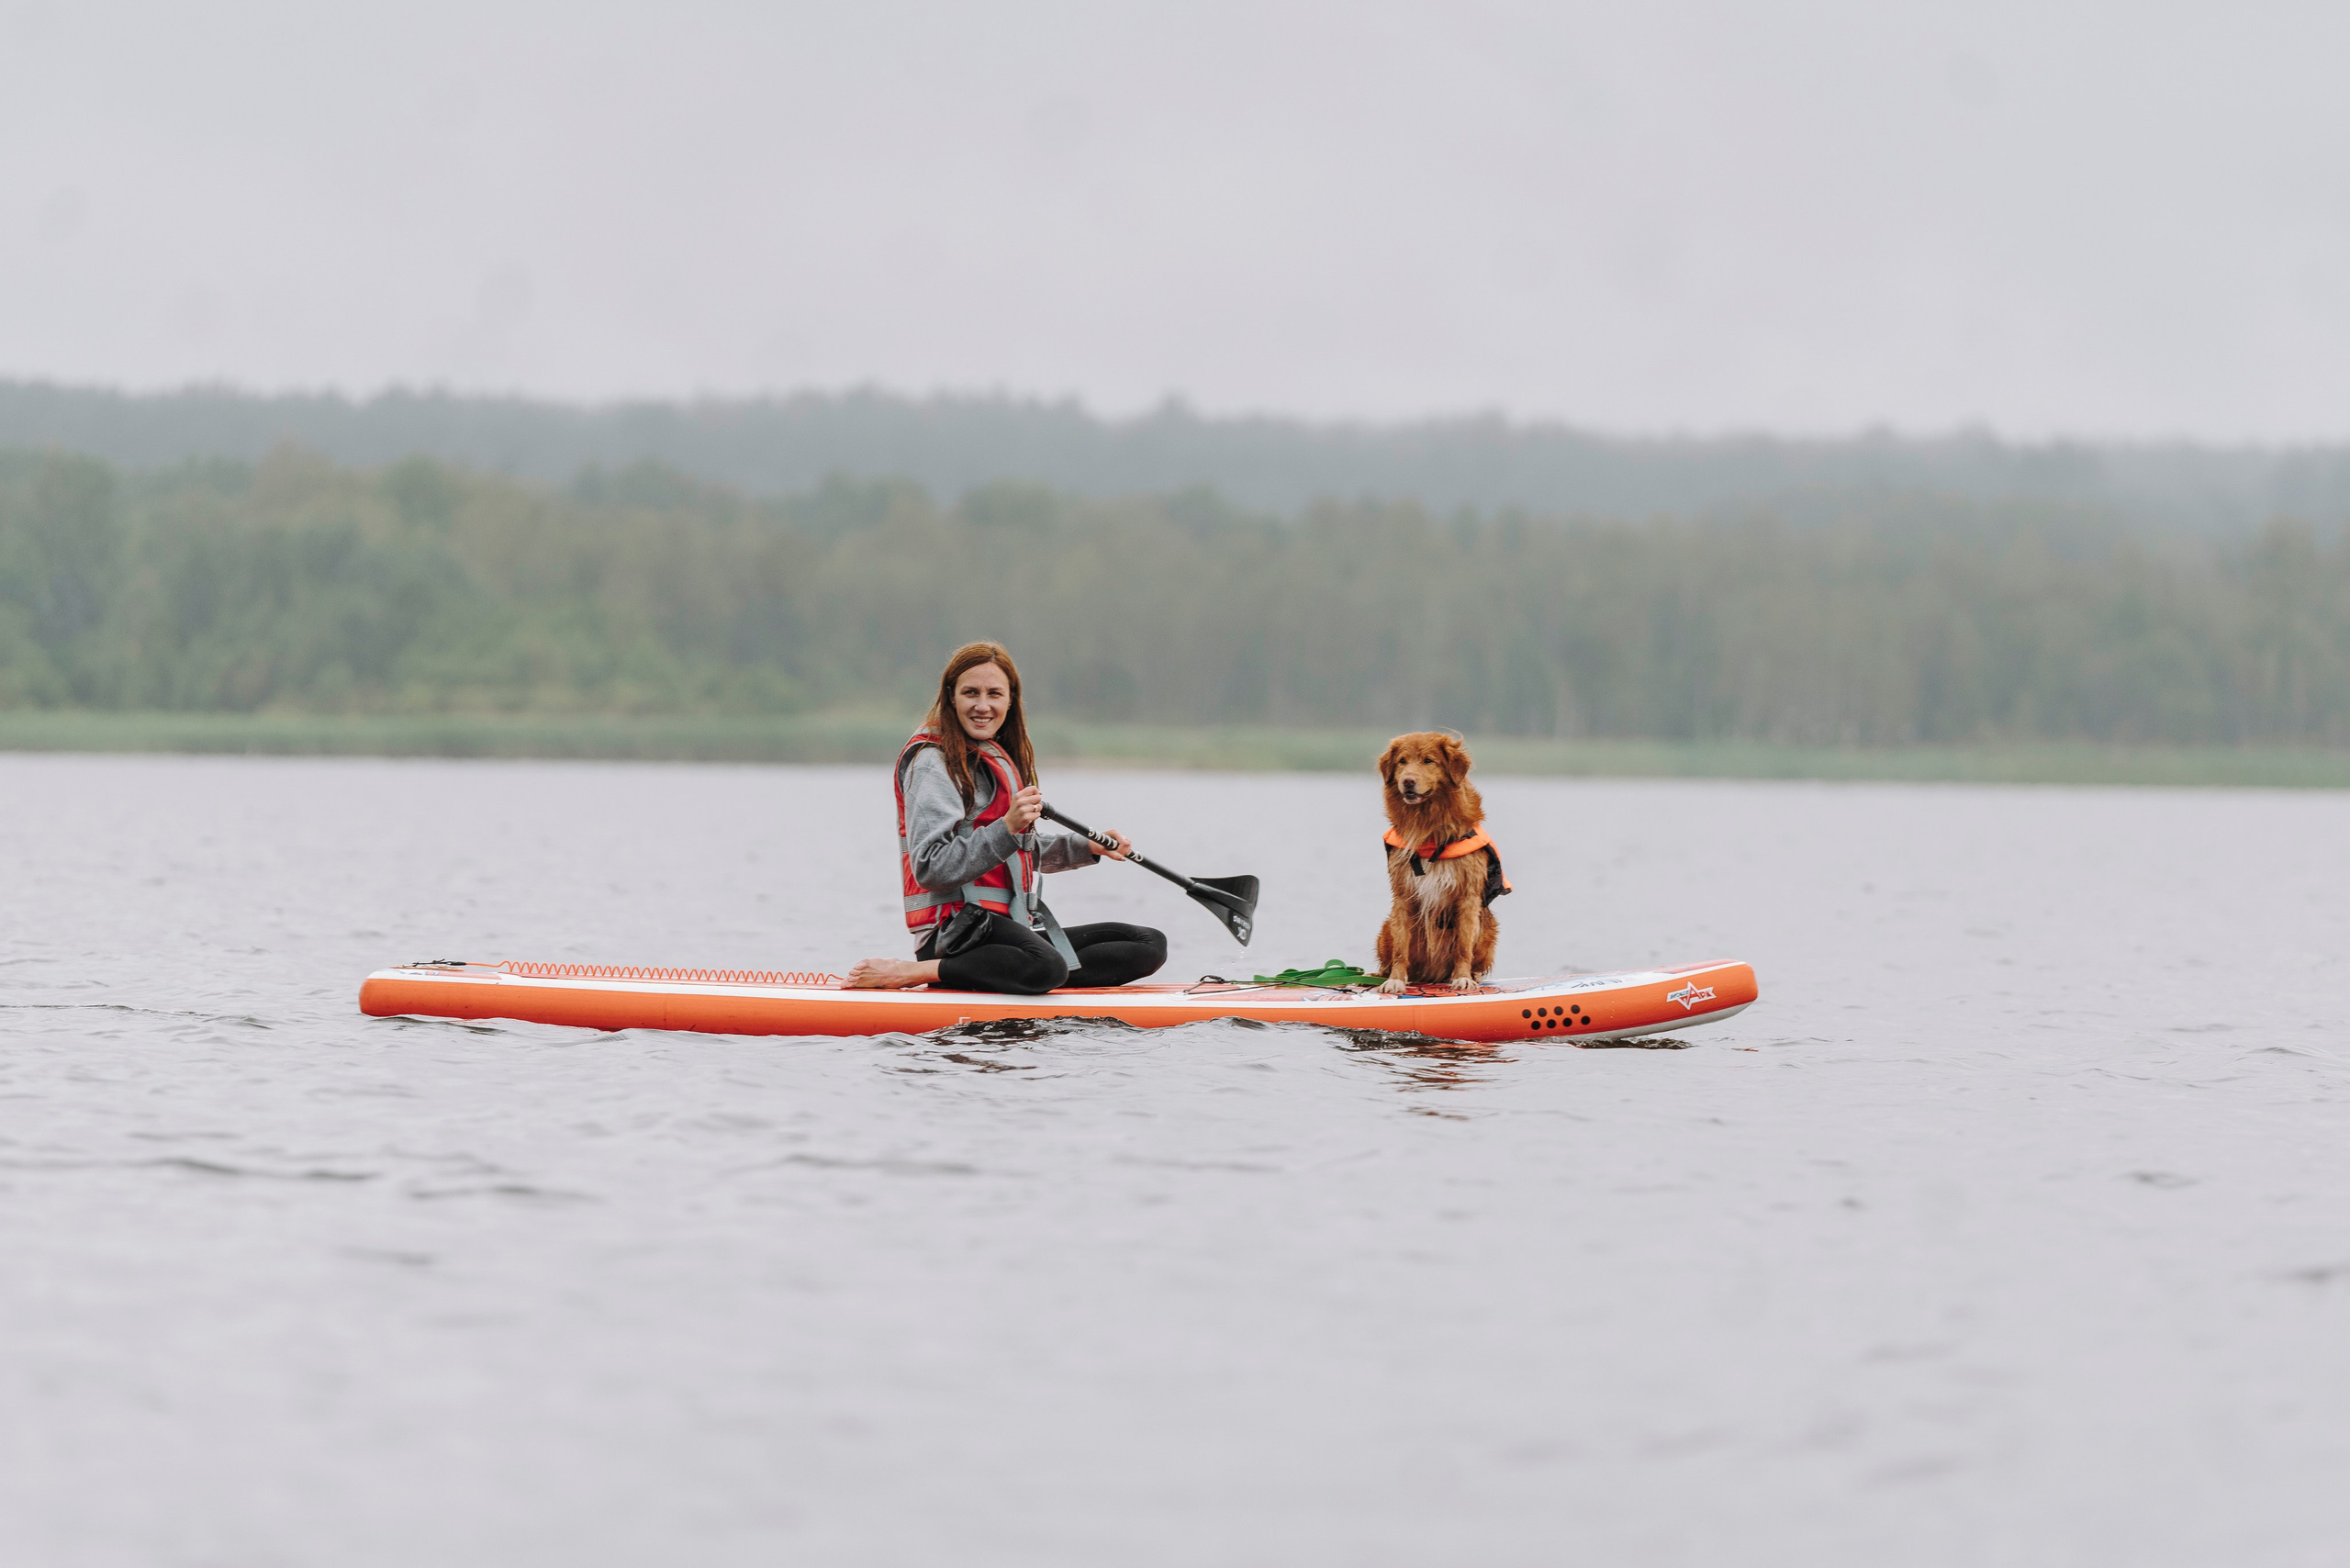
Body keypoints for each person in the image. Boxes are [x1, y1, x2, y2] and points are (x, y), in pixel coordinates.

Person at [845, 642, 1168, 994]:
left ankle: (1020, 973)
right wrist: (1008, 826)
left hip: (1007, 930)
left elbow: (1014, 853)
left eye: (994, 694)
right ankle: (914, 972)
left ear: (1010, 700)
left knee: (1148, 944)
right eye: (971, 693)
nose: (983, 706)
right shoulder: (932, 763)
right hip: (954, 933)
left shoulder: (996, 757)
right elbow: (931, 868)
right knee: (1048, 964)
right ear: (951, 697)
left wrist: (1086, 848)